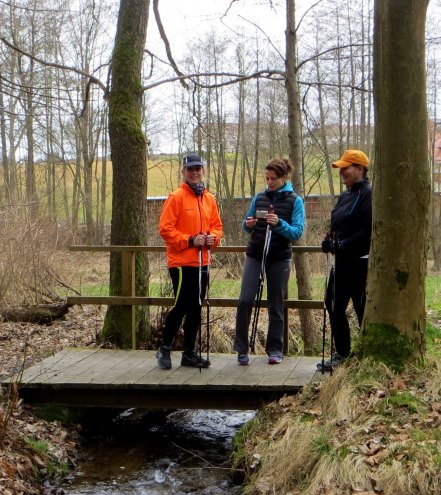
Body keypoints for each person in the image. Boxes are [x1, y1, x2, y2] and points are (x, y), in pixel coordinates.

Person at [233, 158, 305, 365]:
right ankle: (241, 349)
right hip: (255, 255)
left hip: (279, 258)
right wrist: (249, 224)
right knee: (245, 300)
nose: (269, 182)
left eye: (273, 178)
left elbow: (297, 232)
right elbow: (245, 225)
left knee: (276, 304)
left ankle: (275, 349)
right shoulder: (259, 197)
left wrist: (279, 223)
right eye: (266, 178)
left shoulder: (295, 201)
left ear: (284, 177)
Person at [156, 154, 223, 370]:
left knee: (196, 308)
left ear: (203, 170)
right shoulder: (176, 197)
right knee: (182, 305)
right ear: (184, 172)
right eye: (190, 169)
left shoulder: (209, 199)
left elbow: (217, 226)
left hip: (203, 261)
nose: (195, 172)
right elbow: (165, 229)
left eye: (198, 169)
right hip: (182, 262)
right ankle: (164, 348)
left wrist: (213, 237)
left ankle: (189, 353)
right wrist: (190, 240)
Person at [318, 149, 372, 371]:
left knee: (362, 308)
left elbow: (367, 230)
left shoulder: (368, 193)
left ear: (360, 168)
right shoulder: (346, 195)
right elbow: (338, 225)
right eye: (340, 169)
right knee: (333, 305)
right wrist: (329, 240)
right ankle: (342, 353)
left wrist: (344, 245)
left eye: (345, 168)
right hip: (340, 263)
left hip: (359, 262)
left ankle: (367, 355)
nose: (342, 173)